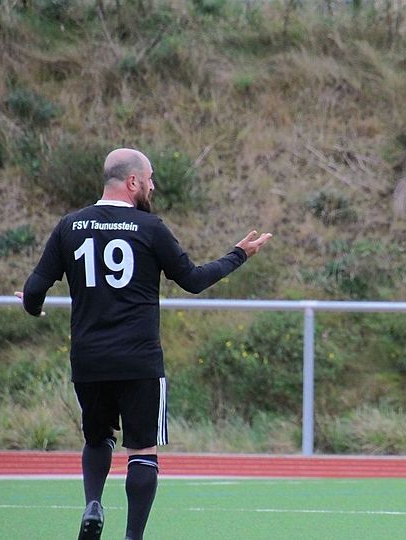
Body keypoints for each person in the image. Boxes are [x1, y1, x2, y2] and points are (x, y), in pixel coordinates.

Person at [16, 148, 271, 540]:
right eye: (149, 178)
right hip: (139, 360)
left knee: (97, 437)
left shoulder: (69, 226)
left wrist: (33, 308)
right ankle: (133, 536)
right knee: (142, 450)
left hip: (89, 361)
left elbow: (34, 290)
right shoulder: (150, 228)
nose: (153, 185)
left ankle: (93, 503)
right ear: (133, 182)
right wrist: (239, 254)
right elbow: (194, 280)